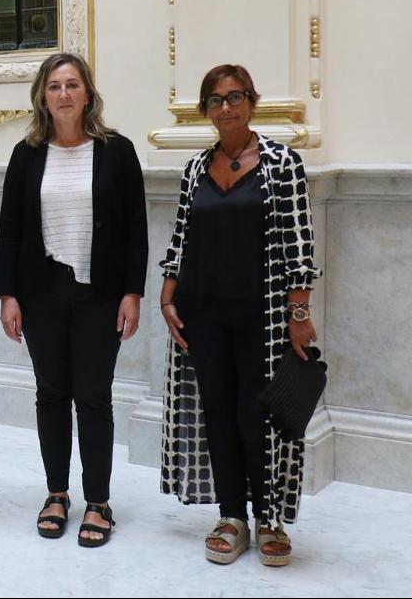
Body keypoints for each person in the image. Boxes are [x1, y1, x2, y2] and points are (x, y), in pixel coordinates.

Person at [159, 64, 320, 567]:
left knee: (260, 417)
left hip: (264, 316)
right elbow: (181, 240)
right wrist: (167, 299)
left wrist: (299, 312)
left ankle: (269, 518)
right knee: (218, 413)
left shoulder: (281, 163)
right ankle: (232, 516)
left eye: (235, 97)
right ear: (205, 109)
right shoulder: (193, 169)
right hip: (202, 315)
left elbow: (299, 243)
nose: (225, 108)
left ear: (251, 101)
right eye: (215, 100)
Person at [0, 52, 147, 548]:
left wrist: (132, 293)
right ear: (42, 95)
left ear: (87, 94)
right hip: (41, 293)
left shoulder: (117, 151)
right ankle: (57, 493)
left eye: (72, 85)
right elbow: (11, 229)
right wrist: (7, 295)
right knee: (52, 394)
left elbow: (135, 231)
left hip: (99, 294)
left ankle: (98, 501)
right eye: (55, 86)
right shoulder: (26, 154)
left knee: (94, 398)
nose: (63, 94)